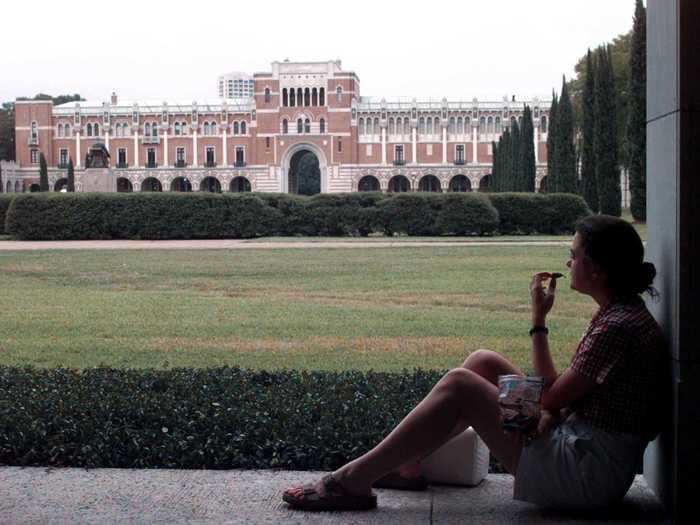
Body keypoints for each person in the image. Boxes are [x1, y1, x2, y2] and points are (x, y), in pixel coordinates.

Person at [283, 215, 667, 512]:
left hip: (582, 473)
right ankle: (408, 465)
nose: (567, 262)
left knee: (461, 385)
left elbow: (549, 395)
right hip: (581, 444)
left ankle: (352, 481)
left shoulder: (616, 327)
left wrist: (538, 321)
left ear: (597, 269)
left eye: (574, 253)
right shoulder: (619, 313)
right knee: (482, 362)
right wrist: (548, 411)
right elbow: (560, 395)